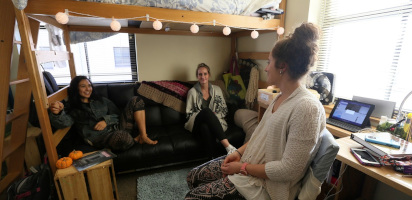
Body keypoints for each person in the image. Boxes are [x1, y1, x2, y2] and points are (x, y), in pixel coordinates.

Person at [185, 22, 325, 200]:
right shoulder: (279, 98)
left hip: (266, 186)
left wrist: (242, 168)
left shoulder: (307, 108)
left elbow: (288, 170)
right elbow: (258, 136)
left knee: (191, 197)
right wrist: (237, 153)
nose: (266, 68)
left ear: (283, 67)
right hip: (249, 164)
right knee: (192, 177)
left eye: (269, 62)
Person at [49, 76, 157, 152]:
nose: (88, 89)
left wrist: (106, 121)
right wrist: (58, 113)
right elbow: (64, 122)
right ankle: (134, 139)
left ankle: (143, 136)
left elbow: (117, 114)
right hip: (99, 138)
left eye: (89, 85)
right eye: (83, 86)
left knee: (136, 100)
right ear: (76, 89)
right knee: (122, 137)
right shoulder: (73, 108)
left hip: (117, 127)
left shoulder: (100, 100)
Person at [185, 63, 237, 157]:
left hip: (214, 123)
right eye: (200, 74)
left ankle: (212, 159)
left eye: (205, 74)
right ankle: (228, 146)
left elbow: (224, 109)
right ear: (197, 76)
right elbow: (188, 114)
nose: (203, 76)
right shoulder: (192, 92)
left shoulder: (217, 90)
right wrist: (206, 114)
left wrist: (212, 117)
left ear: (209, 75)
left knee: (205, 127)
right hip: (196, 123)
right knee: (206, 112)